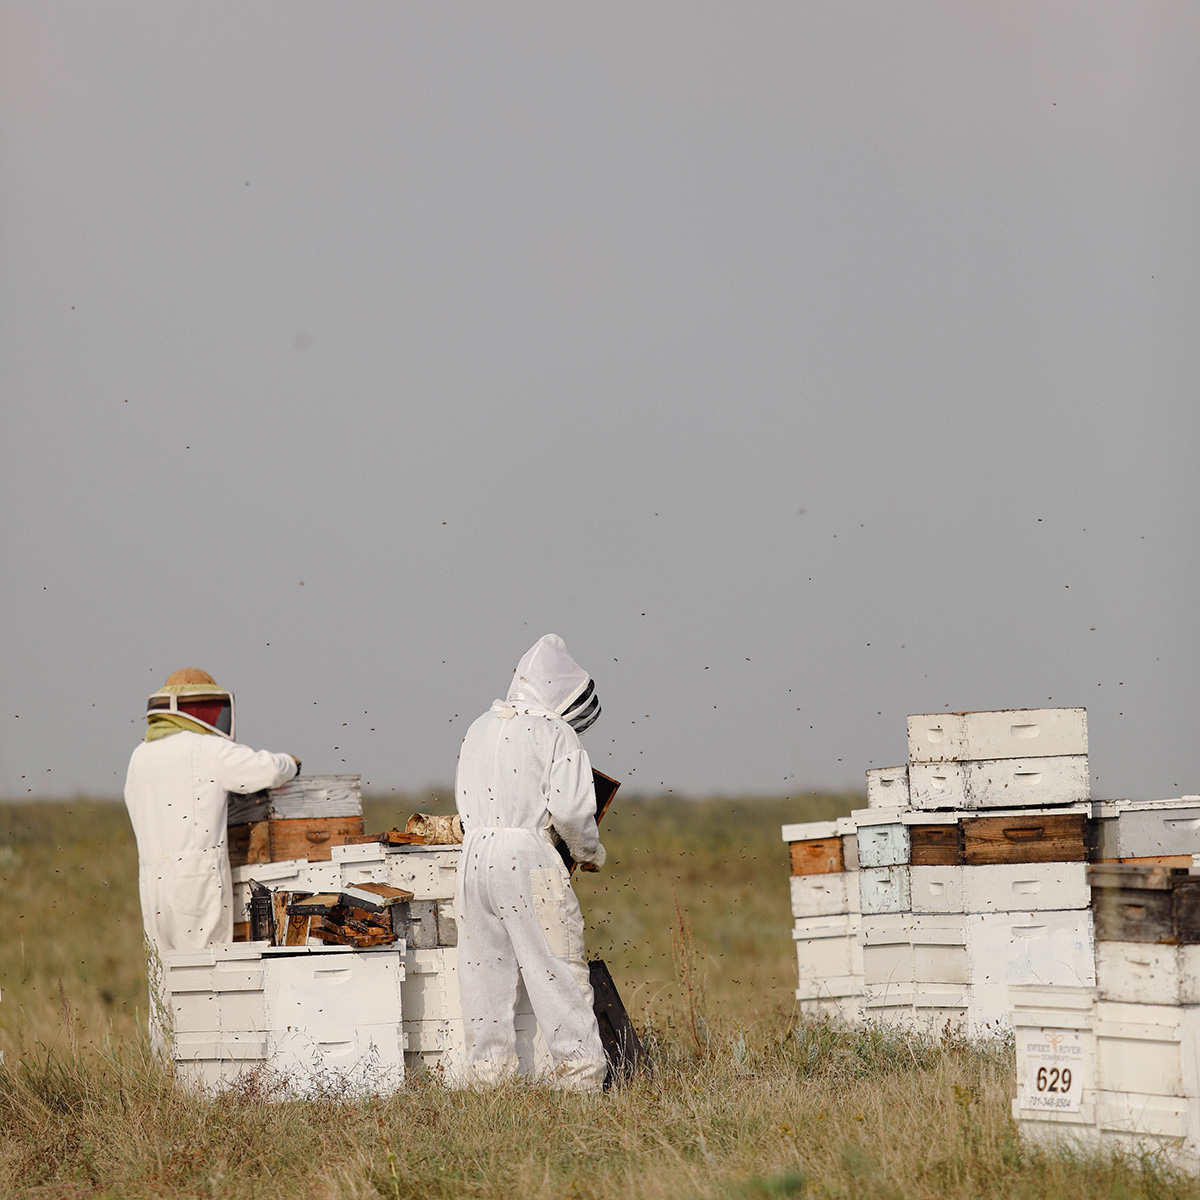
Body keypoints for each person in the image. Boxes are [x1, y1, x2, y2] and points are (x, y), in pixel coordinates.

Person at [455, 634, 608, 1090]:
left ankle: (489, 1084)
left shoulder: (479, 726)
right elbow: (572, 812)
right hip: (527, 858)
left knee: (483, 976)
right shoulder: (553, 732)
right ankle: (579, 1083)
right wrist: (589, 853)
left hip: (474, 858)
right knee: (557, 969)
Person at [124, 668, 300, 956]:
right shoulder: (207, 748)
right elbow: (265, 771)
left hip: (152, 883)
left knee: (165, 976)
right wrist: (290, 763)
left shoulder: (140, 756)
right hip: (196, 880)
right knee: (209, 970)